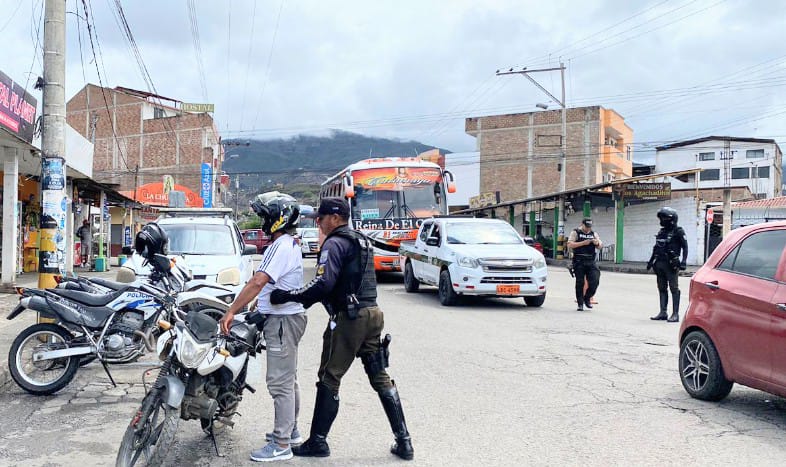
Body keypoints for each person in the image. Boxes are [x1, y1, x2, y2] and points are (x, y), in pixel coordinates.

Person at [269, 197, 414, 461]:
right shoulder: (362, 240)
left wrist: (289, 296)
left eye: (321, 218)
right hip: (373, 314)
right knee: (379, 376)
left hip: (349, 319)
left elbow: (324, 283)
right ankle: (404, 441)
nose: (318, 222)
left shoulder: (334, 243)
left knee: (329, 377)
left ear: (335, 218)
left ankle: (318, 442)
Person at [219, 191, 307, 463]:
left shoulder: (280, 246)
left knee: (279, 383)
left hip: (283, 322)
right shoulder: (287, 243)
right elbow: (271, 285)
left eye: (265, 216)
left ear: (277, 219)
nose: (262, 220)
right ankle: (289, 432)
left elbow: (258, 280)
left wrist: (232, 310)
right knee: (288, 379)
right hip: (286, 319)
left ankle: (282, 444)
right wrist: (260, 304)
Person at [647, 207, 688, 323]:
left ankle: (675, 314)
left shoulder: (678, 231)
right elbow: (656, 248)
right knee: (661, 288)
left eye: (664, 218)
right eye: (661, 218)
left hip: (671, 265)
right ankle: (663, 312)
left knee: (674, 289)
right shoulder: (661, 232)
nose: (662, 220)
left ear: (672, 219)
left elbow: (685, 247)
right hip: (659, 263)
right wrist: (650, 262)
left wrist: (684, 261)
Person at [566, 218, 602, 311]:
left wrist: (597, 243)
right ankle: (580, 303)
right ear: (582, 224)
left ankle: (587, 298)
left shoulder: (593, 234)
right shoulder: (576, 232)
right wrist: (583, 243)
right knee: (580, 283)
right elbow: (569, 244)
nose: (587, 229)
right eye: (586, 227)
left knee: (595, 280)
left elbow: (600, 245)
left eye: (589, 227)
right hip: (579, 260)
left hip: (590, 260)